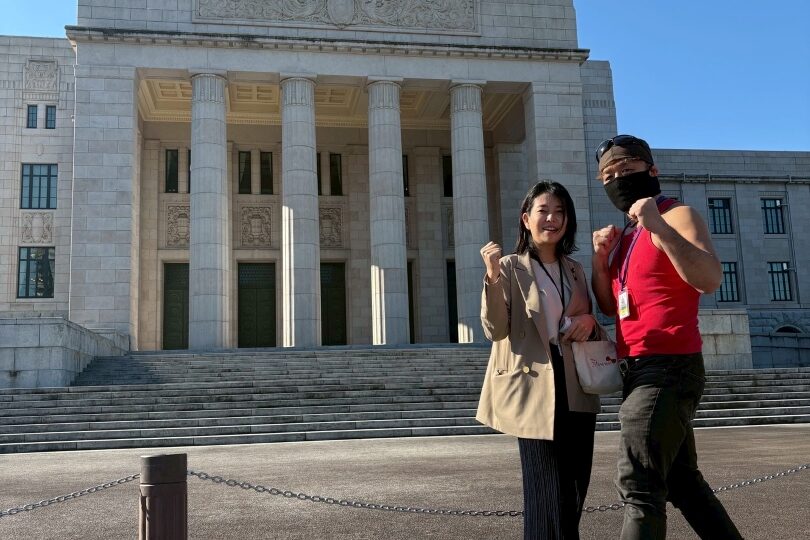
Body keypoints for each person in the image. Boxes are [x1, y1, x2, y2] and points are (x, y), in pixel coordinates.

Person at [590, 134, 743, 539]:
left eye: (626, 169)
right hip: (635, 367)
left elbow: (709, 279)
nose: (618, 179)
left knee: (639, 483)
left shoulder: (678, 215)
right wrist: (600, 261)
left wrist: (659, 226)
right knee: (683, 483)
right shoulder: (625, 237)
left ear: (652, 171)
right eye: (608, 176)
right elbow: (609, 306)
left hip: (669, 365)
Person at [477, 181, 600, 540]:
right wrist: (492, 277)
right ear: (526, 219)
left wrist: (589, 321)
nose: (552, 219)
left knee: (575, 486)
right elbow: (495, 329)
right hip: (534, 386)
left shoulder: (574, 269)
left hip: (576, 384)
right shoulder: (509, 267)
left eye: (560, 212)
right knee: (547, 492)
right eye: (543, 211)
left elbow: (589, 319)